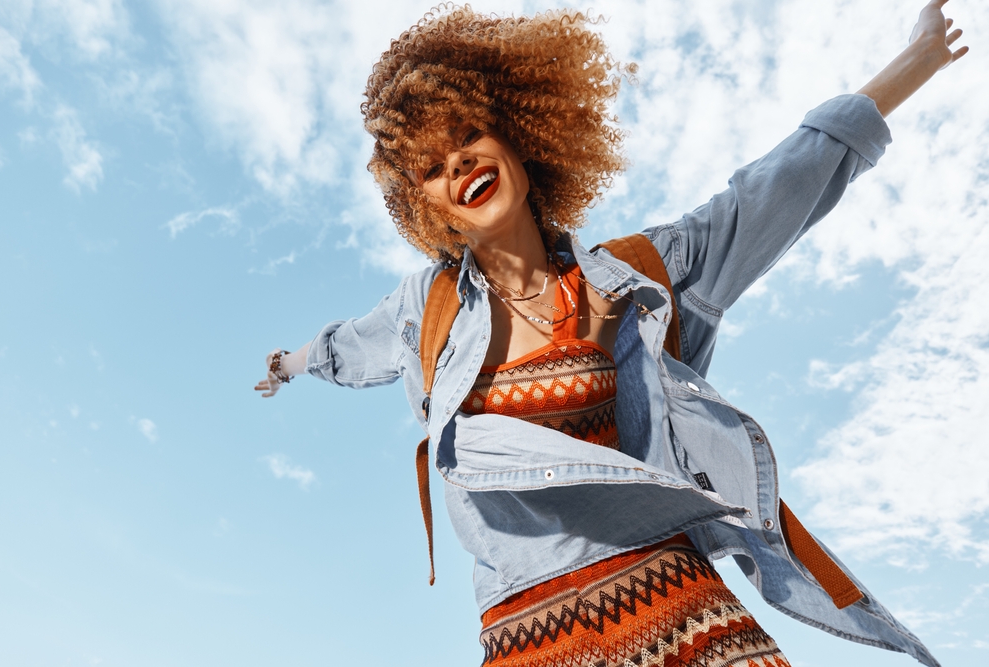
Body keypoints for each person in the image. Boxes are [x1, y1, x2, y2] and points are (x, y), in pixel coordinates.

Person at [255, 2, 968, 665]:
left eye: (467, 135)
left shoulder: (644, 277)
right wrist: (287, 363)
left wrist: (916, 62)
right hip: (529, 632)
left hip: (680, 608)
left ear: (515, 132)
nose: (460, 166)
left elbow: (779, 187)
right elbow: (345, 348)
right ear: (427, 206)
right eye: (432, 168)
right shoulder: (425, 310)